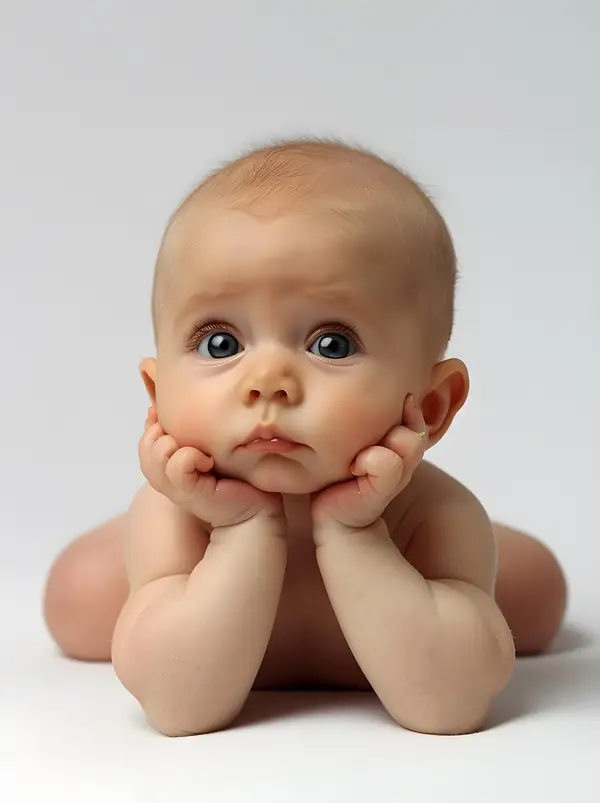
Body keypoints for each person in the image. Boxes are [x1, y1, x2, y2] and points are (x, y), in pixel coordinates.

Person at [43, 138, 567, 737]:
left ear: (431, 405)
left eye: (332, 344)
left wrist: (357, 534)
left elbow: (449, 708)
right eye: (220, 343)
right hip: (189, 545)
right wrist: (240, 528)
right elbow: (180, 710)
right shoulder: (174, 517)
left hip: (408, 542)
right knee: (78, 599)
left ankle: (489, 566)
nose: (267, 382)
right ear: (157, 393)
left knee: (538, 597)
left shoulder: (433, 515)